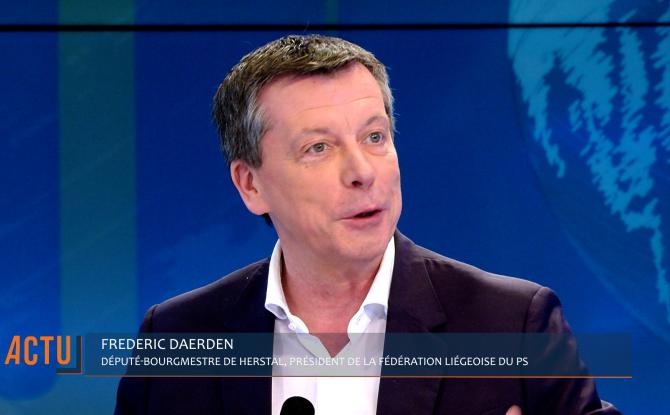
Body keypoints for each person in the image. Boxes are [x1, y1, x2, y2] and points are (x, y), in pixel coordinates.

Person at [115, 34, 620, 414]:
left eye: (375, 137)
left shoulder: (513, 324)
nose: (362, 171)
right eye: (318, 148)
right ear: (250, 185)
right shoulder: (177, 338)